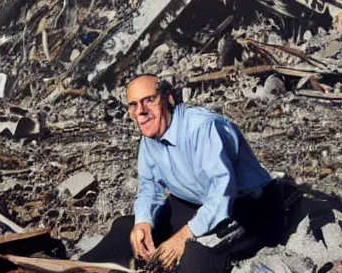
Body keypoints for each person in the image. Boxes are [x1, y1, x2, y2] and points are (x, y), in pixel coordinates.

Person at [80, 74, 285, 272]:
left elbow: (221, 197)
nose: (141, 111)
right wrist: (143, 221)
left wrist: (184, 236)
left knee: (192, 258)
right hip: (192, 204)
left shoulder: (203, 128)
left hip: (245, 208)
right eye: (133, 104)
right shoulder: (150, 135)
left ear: (167, 98)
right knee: (125, 230)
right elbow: (150, 187)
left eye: (149, 100)